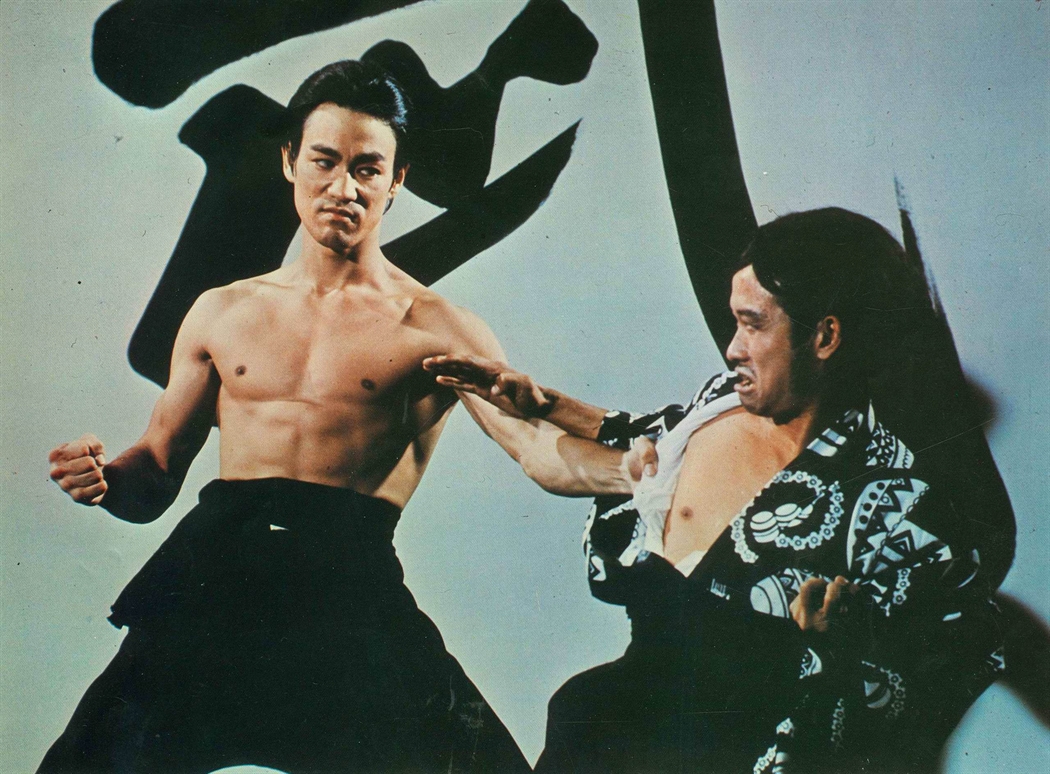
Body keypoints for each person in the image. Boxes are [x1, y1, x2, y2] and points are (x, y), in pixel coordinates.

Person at [41, 59, 643, 774]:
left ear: (397, 179)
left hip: (347, 590)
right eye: (324, 162)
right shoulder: (221, 311)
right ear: (290, 162)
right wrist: (106, 479)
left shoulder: (438, 328)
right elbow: (158, 471)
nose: (344, 188)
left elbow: (539, 453)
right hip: (213, 575)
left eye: (367, 169)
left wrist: (643, 472)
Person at [425, 207, 1010, 773]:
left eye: (753, 324)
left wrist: (842, 648)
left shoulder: (891, 502)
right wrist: (546, 403)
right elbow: (648, 432)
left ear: (825, 336)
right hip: (598, 735)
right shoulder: (720, 402)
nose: (733, 347)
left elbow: (952, 658)